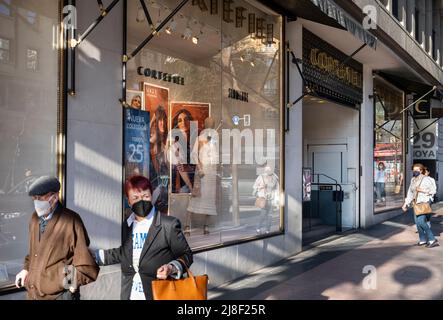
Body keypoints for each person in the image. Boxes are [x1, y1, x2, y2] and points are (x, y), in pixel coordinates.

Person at [93, 175, 193, 300]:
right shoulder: (127, 225)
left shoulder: (168, 225)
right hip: (130, 294)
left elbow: (186, 254)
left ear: (152, 196)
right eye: (135, 198)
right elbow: (126, 252)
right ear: (128, 201)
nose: (141, 201)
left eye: (146, 196)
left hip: (158, 294)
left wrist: (171, 267)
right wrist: (95, 256)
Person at [14, 176, 99, 300]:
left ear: (54, 198)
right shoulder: (34, 219)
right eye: (34, 198)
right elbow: (34, 252)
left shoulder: (71, 220)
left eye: (39, 198)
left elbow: (85, 261)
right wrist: (26, 270)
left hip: (59, 295)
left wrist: (70, 282)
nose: (36, 202)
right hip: (34, 294)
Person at [185, 117, 219, 236]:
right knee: (196, 197)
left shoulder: (214, 141)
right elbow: (194, 155)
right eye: (209, 124)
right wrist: (199, 169)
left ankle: (206, 225)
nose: (211, 126)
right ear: (205, 125)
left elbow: (215, 158)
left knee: (209, 200)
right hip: (201, 172)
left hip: (211, 174)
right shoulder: (199, 139)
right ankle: (187, 225)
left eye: (212, 124)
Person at [402, 163, 438, 248]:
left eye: (417, 170)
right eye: (414, 170)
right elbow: (410, 192)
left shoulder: (427, 179)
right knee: (417, 223)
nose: (415, 171)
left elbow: (433, 191)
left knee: (421, 221)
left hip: (424, 201)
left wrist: (422, 190)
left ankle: (432, 239)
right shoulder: (413, 180)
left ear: (421, 170)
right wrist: (405, 204)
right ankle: (422, 240)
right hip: (416, 203)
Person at [168, 109, 196, 194]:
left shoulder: (196, 138)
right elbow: (180, 168)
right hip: (183, 186)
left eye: (186, 119)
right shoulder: (175, 143)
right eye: (180, 121)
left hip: (197, 182)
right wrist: (191, 189)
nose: (183, 122)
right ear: (177, 124)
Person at [253, 165, 279, 234]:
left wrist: (276, 200)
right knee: (263, 214)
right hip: (263, 199)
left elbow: (277, 189)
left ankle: (268, 230)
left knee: (270, 215)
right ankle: (258, 228)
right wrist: (261, 186)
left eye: (269, 170)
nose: (268, 171)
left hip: (271, 199)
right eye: (267, 170)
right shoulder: (261, 177)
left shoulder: (275, 178)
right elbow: (255, 186)